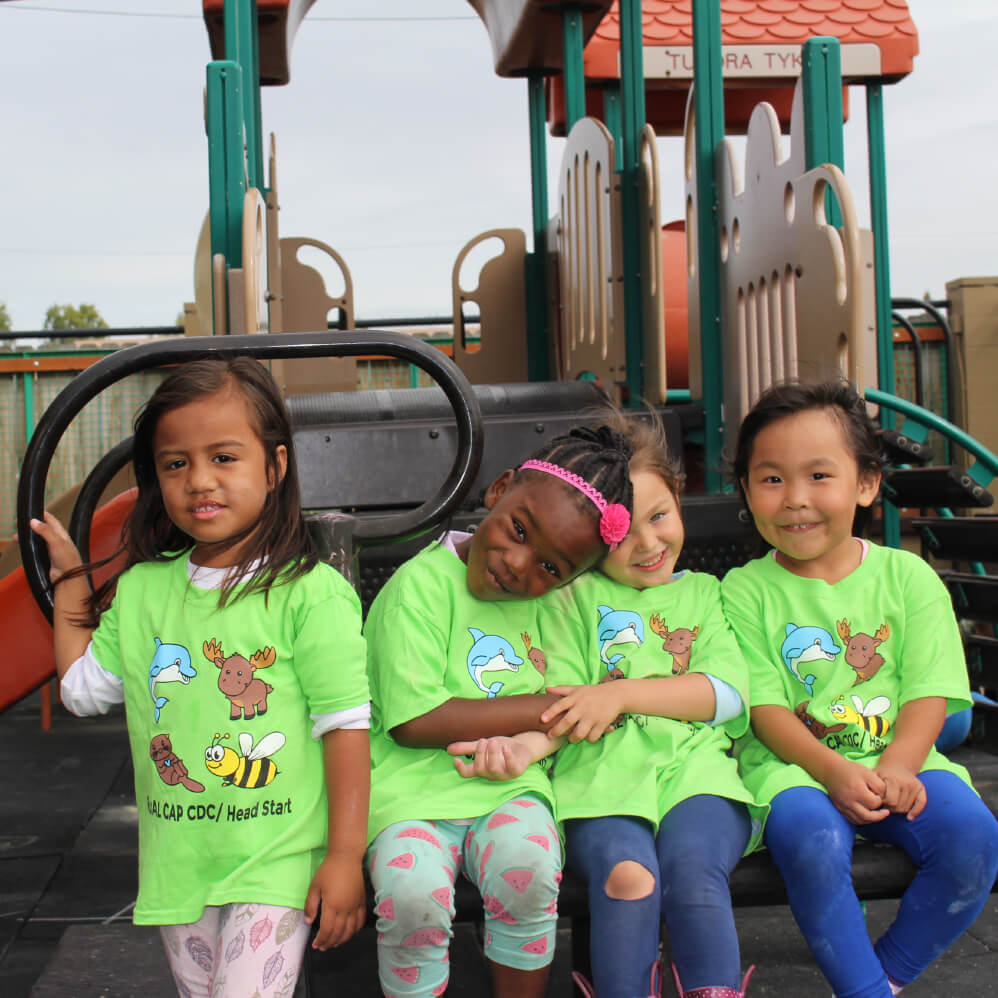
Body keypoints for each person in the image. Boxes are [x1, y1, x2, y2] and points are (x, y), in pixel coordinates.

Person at [30, 357, 370, 998]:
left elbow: (345, 727)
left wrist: (345, 856)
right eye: (176, 463)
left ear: (275, 466)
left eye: (224, 457)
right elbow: (80, 689)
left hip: (277, 861)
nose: (199, 480)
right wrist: (72, 578)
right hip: (180, 870)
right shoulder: (142, 592)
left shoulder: (309, 595)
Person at [721, 380, 998, 998]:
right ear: (746, 489)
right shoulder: (743, 590)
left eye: (820, 476)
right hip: (794, 768)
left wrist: (899, 766)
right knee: (811, 837)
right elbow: (764, 707)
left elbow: (931, 691)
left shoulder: (908, 577)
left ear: (866, 484)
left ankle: (886, 978)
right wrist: (833, 772)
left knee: (973, 839)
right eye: (771, 480)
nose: (795, 500)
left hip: (902, 757)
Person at [364, 425, 634, 998]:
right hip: (407, 795)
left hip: (510, 788)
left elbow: (572, 709)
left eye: (553, 568)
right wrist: (542, 710)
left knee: (531, 873)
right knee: (412, 897)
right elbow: (416, 722)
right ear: (499, 490)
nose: (518, 565)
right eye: (518, 530)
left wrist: (527, 739)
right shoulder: (419, 588)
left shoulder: (556, 608)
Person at [499, 409, 760, 998]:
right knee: (629, 877)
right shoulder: (571, 600)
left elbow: (723, 694)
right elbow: (561, 703)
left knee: (694, 876)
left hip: (698, 779)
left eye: (660, 516)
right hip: (601, 782)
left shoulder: (704, 593)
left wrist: (617, 693)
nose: (647, 544)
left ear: (678, 501)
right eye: (620, 533)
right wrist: (527, 745)